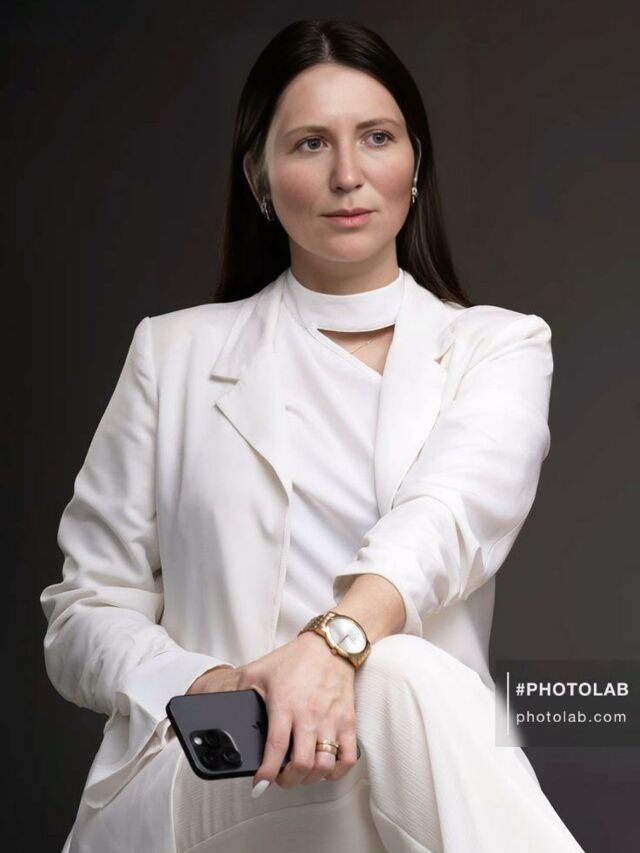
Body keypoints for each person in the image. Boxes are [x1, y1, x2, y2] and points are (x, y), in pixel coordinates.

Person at [40, 19, 586, 853]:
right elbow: (84, 612)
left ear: (415, 163)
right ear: (258, 176)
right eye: (309, 144)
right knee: (399, 671)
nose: (347, 175)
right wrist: (222, 686)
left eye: (377, 137)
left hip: (400, 772)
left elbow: (446, 518)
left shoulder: (498, 346)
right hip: (215, 774)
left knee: (396, 672)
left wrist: (332, 647)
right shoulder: (172, 353)